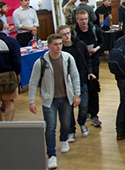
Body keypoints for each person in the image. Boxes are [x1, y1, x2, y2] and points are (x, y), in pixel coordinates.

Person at [28, 34, 81, 169]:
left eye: (60, 44)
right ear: (49, 46)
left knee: (65, 123)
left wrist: (77, 94)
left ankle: (63, 139)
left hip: (65, 97)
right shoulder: (41, 62)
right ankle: (51, 155)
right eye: (55, 44)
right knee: (50, 127)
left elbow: (75, 76)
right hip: (49, 99)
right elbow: (33, 82)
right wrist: (31, 101)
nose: (58, 47)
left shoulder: (68, 58)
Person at [57, 25, 94, 141]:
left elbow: (88, 59)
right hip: (65, 83)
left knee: (83, 106)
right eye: (64, 34)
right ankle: (71, 131)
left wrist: (89, 72)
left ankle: (82, 122)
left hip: (81, 80)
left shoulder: (80, 44)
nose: (67, 36)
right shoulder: (59, 50)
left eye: (68, 33)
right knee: (68, 110)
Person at [73, 10, 104, 127]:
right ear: (77, 20)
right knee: (82, 89)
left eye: (86, 19)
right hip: (80, 65)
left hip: (94, 62)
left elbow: (102, 43)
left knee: (93, 88)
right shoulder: (74, 33)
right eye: (81, 19)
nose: (84, 21)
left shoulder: (96, 30)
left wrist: (97, 49)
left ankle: (94, 114)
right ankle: (84, 112)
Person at [0, 18, 21, 121]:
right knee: (9, 102)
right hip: (9, 76)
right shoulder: (11, 41)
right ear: (2, 27)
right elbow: (17, 61)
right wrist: (17, 73)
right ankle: (9, 125)